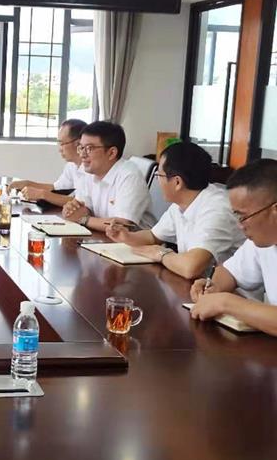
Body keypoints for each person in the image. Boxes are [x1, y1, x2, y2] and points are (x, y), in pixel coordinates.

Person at [105, 142, 244, 280]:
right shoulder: (181, 203)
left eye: (159, 176)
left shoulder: (216, 209)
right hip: (203, 285)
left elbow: (191, 268)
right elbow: (153, 236)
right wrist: (126, 236)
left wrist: (161, 254)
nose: (158, 181)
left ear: (177, 182)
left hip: (232, 291)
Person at [190, 159, 277, 336]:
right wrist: (211, 287)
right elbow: (229, 272)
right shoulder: (263, 240)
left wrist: (225, 303)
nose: (240, 225)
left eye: (243, 216)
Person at [61, 121, 155, 231]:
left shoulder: (129, 176)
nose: (82, 154)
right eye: (81, 148)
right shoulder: (89, 172)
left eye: (89, 148)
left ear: (111, 153)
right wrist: (72, 210)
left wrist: (83, 219)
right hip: (101, 237)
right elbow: (84, 208)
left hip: (136, 240)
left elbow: (121, 226)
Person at [9, 119, 87, 207]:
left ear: (78, 143)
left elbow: (82, 203)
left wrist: (42, 194)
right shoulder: (71, 165)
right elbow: (56, 188)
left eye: (62, 144)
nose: (60, 150)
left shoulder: (91, 168)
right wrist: (27, 184)